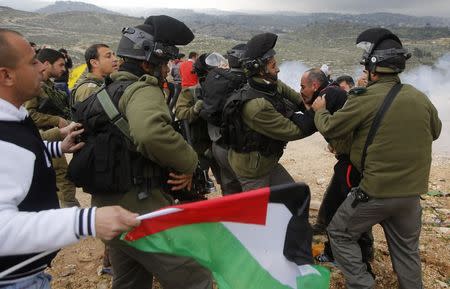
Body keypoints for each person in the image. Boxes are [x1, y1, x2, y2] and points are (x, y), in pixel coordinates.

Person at [0, 28, 140, 288]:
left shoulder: (13, 117)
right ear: (6, 75)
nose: (41, 68)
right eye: (32, 62)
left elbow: (19, 154)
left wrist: (56, 147)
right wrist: (87, 220)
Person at [312, 28, 442, 289]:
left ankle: (362, 284)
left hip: (375, 193)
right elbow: (435, 131)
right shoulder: (419, 97)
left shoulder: (366, 98)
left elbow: (331, 128)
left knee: (338, 232)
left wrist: (320, 111)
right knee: (407, 252)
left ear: (372, 68)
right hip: (410, 197)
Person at [89, 16, 213, 289]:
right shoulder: (142, 89)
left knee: (130, 281)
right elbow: (151, 134)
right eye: (165, 62)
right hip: (140, 207)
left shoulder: (107, 90)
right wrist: (190, 164)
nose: (168, 68)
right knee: (195, 277)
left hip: (108, 205)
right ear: (147, 62)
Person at [226, 32, 309, 191]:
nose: (277, 69)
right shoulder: (257, 105)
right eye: (273, 66)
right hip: (253, 172)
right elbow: (293, 131)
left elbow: (296, 99)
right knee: (257, 213)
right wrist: (319, 116)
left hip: (267, 162)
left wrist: (310, 104)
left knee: (291, 196)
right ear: (260, 69)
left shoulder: (270, 84)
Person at [24, 48, 78, 208]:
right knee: (63, 177)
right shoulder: (35, 86)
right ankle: (70, 212)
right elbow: (29, 114)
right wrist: (56, 120)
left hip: (53, 136)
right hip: (45, 136)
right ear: (47, 64)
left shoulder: (48, 85)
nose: (64, 69)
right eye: (60, 65)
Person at [200, 44, 247, 195]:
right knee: (248, 189)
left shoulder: (212, 81)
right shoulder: (240, 82)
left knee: (229, 187)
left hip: (218, 145)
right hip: (234, 148)